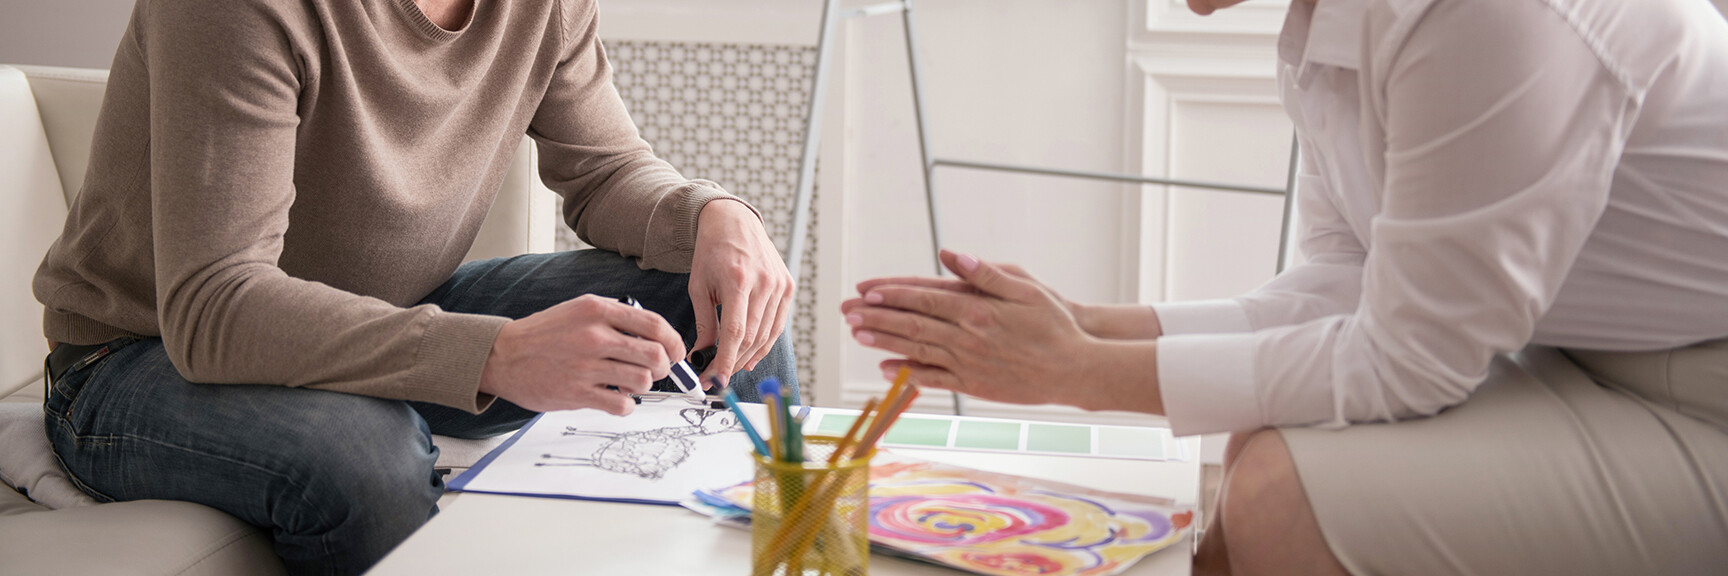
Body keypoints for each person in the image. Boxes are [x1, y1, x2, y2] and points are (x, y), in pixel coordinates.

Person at [842, 0, 1728, 574]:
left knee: (1274, 492)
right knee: (1265, 463)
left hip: (1701, 393)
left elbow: (1408, 362)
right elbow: (1352, 284)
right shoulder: (1328, 26)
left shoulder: (1488, 17)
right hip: (1591, 361)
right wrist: (1089, 328)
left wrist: (1077, 374)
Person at [33, 0, 797, 573]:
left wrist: (711, 214)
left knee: (715, 294)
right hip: (140, 356)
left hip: (389, 312)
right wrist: (492, 354)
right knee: (367, 453)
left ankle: (792, 548)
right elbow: (214, 307)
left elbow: (604, 170)